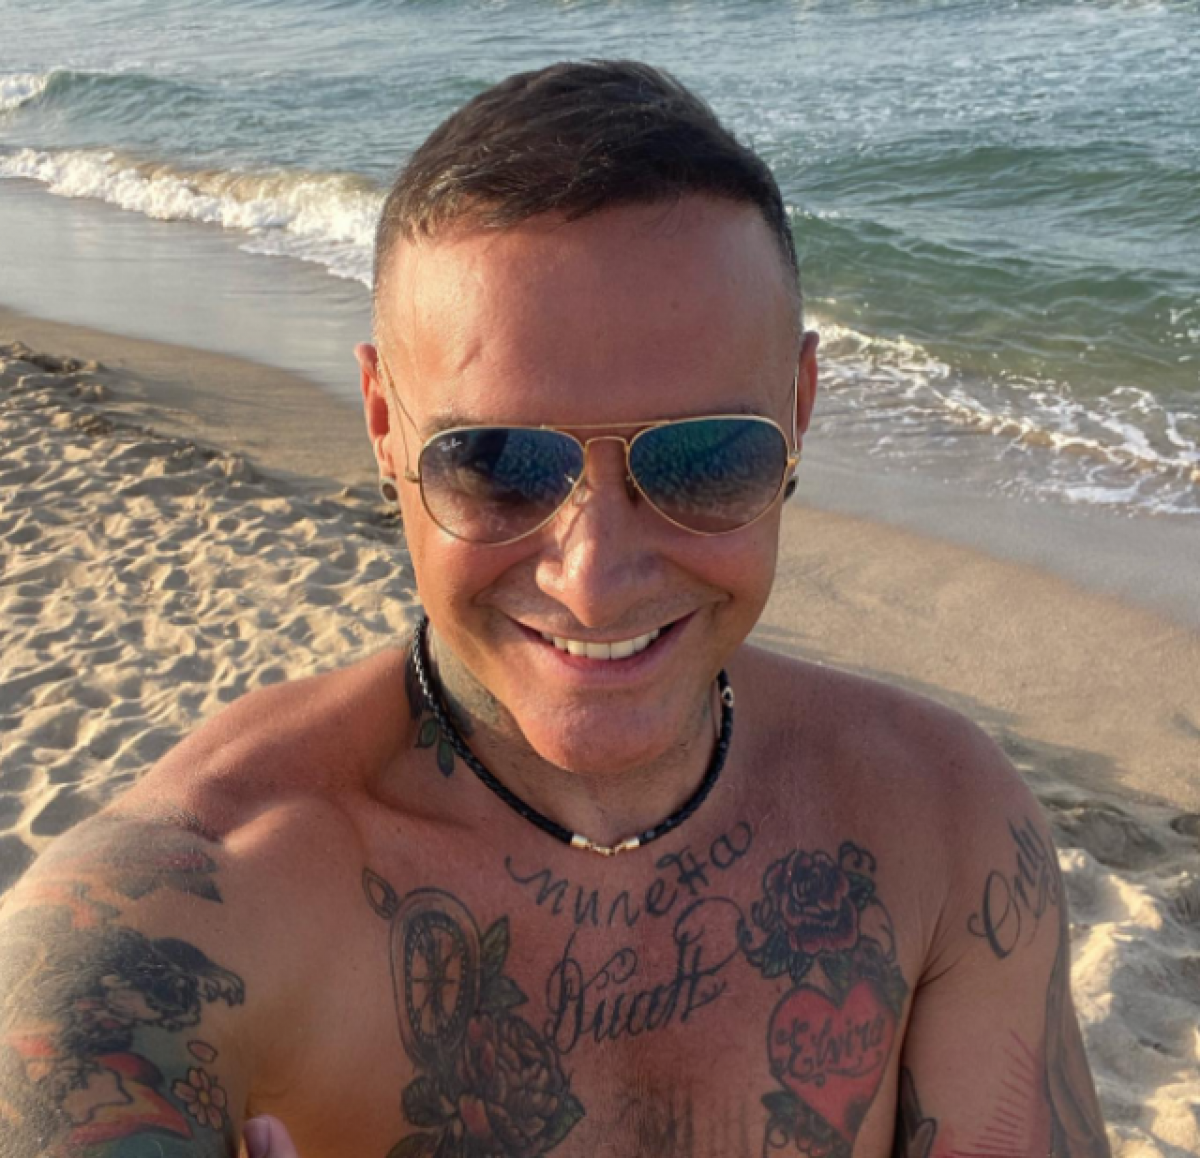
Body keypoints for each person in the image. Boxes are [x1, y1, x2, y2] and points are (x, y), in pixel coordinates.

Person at [0, 61, 1110, 1158]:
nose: (594, 576)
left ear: (800, 408)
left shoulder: (943, 828)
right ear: (384, 424)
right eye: (497, 462)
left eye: (702, 457)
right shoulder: (178, 916)